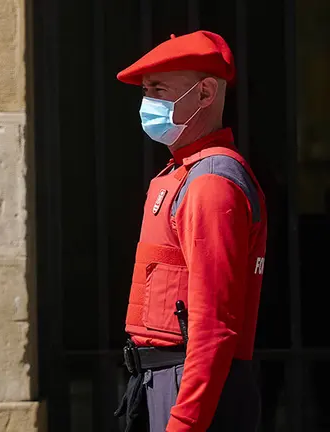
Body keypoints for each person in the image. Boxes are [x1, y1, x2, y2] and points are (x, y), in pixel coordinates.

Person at [112, 30, 268, 432]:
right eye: (145, 91)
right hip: (160, 380)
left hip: (189, 386)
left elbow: (214, 324)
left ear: (205, 94)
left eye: (159, 89)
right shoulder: (184, 172)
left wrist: (184, 421)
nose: (149, 103)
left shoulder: (211, 181)